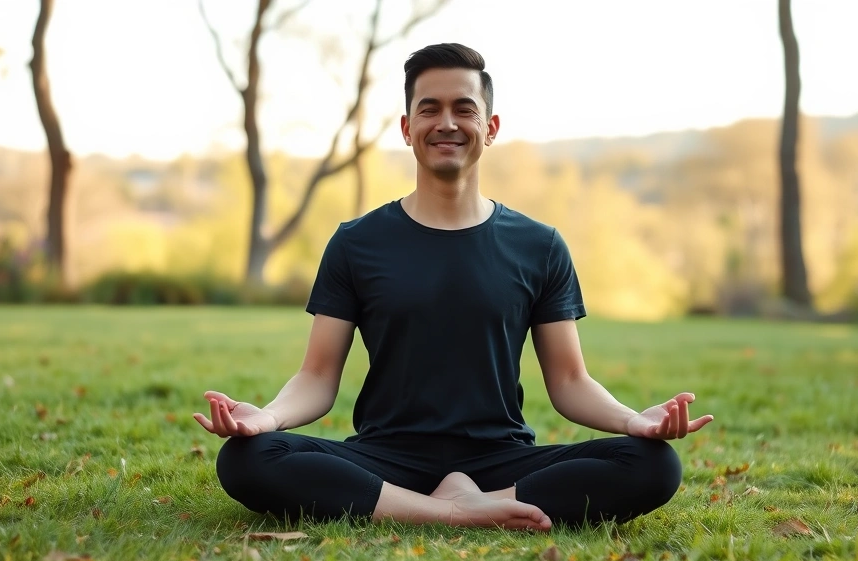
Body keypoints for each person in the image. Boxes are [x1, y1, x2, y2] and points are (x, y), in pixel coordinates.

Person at [193, 43, 713, 532]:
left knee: (653, 465)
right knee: (248, 458)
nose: (446, 123)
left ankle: (483, 497)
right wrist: (268, 417)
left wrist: (633, 422)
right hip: (385, 455)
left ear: (489, 127)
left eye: (463, 109)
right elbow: (318, 376)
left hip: (499, 455)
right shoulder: (357, 242)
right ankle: (450, 512)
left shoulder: (540, 245)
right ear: (406, 127)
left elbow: (571, 382)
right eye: (429, 109)